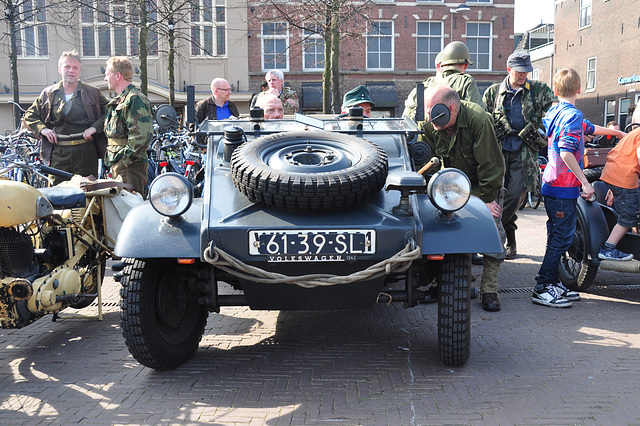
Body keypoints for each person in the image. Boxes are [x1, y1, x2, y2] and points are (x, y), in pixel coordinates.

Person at [533, 68, 626, 308]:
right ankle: (543, 287)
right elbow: (566, 152)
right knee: (561, 240)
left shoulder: (556, 111)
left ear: (555, 90)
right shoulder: (572, 115)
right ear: (579, 89)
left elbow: (589, 127)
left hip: (551, 184)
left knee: (557, 237)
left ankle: (551, 283)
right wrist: (585, 183)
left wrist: (615, 132)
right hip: (564, 187)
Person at [419, 85, 506, 312]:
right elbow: (423, 162)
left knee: (493, 231)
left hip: (481, 185)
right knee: (441, 232)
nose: (430, 118)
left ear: (451, 107)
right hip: (448, 188)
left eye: (435, 111)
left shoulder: (478, 119)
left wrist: (486, 201)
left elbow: (491, 165)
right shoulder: (430, 125)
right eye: (428, 112)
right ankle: (447, 285)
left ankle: (489, 290)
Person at [483, 51, 557, 260]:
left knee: (514, 197)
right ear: (509, 70)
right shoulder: (493, 92)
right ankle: (507, 243)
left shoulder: (538, 90)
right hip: (498, 152)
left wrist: (544, 129)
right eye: (519, 71)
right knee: (496, 196)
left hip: (524, 153)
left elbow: (555, 112)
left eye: (526, 71)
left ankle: (489, 234)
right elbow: (483, 121)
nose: (524, 75)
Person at [23, 50, 108, 183]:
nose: (71, 71)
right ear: (59, 69)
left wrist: (95, 128)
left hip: (85, 152)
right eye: (67, 67)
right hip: (59, 153)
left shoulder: (92, 93)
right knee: (58, 193)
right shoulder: (48, 94)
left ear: (80, 71)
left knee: (86, 193)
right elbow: (30, 115)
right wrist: (42, 129)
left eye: (75, 68)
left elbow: (110, 112)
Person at [103, 56, 153, 196]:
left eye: (107, 74)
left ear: (118, 76)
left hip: (130, 168)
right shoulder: (120, 100)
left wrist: (124, 162)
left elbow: (141, 138)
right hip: (120, 164)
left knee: (129, 208)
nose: (105, 78)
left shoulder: (134, 99)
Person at [597, 107, 640, 260]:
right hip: (623, 178)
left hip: (615, 175)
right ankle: (608, 249)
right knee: (628, 217)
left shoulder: (634, 133)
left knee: (634, 207)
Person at [403, 42, 485, 122]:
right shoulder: (465, 81)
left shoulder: (425, 84)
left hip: (423, 134)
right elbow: (480, 116)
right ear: (466, 65)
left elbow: (405, 120)